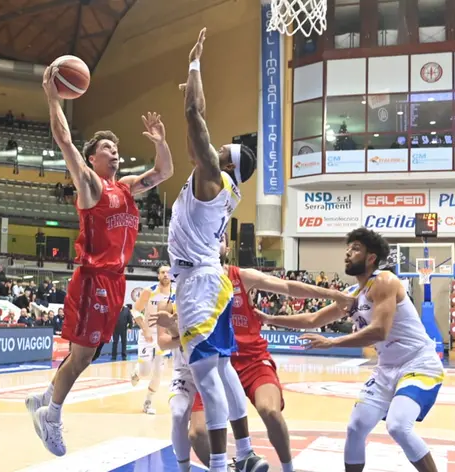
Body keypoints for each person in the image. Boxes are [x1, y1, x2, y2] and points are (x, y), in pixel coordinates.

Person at [26, 62, 175, 457]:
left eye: (117, 149)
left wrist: (160, 141)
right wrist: (53, 98)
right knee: (82, 355)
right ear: (92, 158)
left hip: (115, 280)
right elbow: (63, 139)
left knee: (87, 354)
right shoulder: (91, 185)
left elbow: (165, 171)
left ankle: (45, 398)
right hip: (94, 278)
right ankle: (51, 416)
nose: (115, 153)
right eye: (108, 148)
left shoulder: (125, 187)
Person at [158, 239, 352, 472]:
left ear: (228, 248)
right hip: (215, 363)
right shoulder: (193, 283)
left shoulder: (242, 276)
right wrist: (172, 326)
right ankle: (232, 466)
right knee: (197, 433)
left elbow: (287, 287)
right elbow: (176, 337)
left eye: (220, 238)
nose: (214, 241)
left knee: (270, 411)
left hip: (252, 360)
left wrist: (332, 294)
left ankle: (287, 467)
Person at [260, 227, 445, 472]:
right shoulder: (352, 294)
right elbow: (312, 320)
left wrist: (332, 343)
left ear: (371, 258)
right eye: (348, 248)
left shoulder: (385, 281)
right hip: (387, 368)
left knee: (399, 426)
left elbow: (380, 331)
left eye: (356, 249)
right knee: (356, 427)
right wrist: (268, 318)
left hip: (419, 363)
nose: (348, 253)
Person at [167, 27, 262, 472]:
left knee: (208, 376)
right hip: (211, 281)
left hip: (198, 284)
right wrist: (190, 90)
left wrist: (195, 63)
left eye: (221, 148)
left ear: (225, 162)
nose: (215, 144)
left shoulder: (212, 178)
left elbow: (194, 113)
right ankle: (246, 452)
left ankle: (223, 465)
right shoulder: (224, 186)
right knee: (223, 370)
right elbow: (193, 129)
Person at [130, 265, 174, 415]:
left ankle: (148, 402)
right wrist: (145, 329)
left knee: (159, 372)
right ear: (158, 275)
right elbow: (135, 310)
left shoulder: (176, 293)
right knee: (145, 371)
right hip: (147, 334)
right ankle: (137, 372)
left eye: (168, 272)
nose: (166, 275)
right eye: (163, 272)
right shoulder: (149, 291)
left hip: (164, 335)